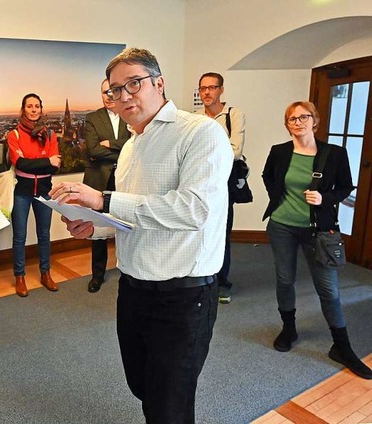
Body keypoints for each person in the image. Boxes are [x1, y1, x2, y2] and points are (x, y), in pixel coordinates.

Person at [50, 48, 233, 423]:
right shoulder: (131, 146)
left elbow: (193, 210)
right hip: (133, 289)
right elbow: (133, 216)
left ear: (159, 83)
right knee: (143, 387)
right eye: (116, 90)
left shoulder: (201, 132)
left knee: (170, 405)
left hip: (183, 294)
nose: (124, 95)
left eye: (134, 83)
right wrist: (95, 225)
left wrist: (103, 199)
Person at [262, 101, 372, 379]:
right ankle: (289, 328)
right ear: (287, 125)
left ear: (315, 120)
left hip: (319, 230)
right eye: (292, 119)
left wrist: (326, 199)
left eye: (303, 117)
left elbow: (346, 187)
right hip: (282, 226)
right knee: (285, 280)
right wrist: (278, 202)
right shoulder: (279, 152)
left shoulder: (333, 154)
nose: (298, 122)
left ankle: (342, 346)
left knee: (328, 289)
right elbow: (268, 176)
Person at [196, 72, 246, 304]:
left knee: (222, 233)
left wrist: (205, 153)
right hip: (200, 181)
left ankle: (222, 283)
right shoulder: (194, 118)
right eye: (203, 88)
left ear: (221, 90)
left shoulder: (233, 115)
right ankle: (202, 278)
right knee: (200, 230)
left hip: (224, 182)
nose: (207, 92)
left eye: (212, 88)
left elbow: (235, 151)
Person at [7, 93, 61, 297]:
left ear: (41, 109)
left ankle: (45, 273)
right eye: (29, 106)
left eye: (37, 106)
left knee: (44, 235)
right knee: (20, 236)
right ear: (23, 109)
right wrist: (47, 161)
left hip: (45, 190)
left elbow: (56, 168)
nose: (33, 110)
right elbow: (20, 164)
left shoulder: (50, 134)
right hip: (22, 191)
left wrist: (37, 164)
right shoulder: (15, 135)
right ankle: (19, 276)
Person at [82, 79, 130, 293]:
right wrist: (123, 148)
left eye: (113, 91)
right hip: (99, 180)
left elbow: (135, 143)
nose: (109, 96)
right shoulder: (92, 118)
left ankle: (128, 269)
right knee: (99, 227)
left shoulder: (129, 113)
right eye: (105, 92)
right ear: (100, 94)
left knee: (125, 225)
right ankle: (97, 275)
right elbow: (93, 150)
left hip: (125, 178)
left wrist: (110, 144)